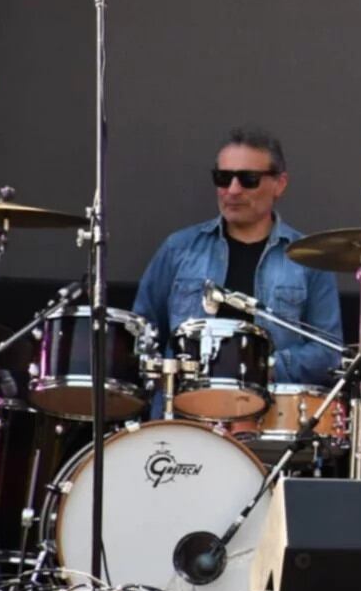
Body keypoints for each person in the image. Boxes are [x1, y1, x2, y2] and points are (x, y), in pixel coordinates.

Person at [133, 127, 342, 417]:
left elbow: (328, 352)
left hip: (270, 422)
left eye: (248, 179)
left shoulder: (309, 260)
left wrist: (259, 366)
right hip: (182, 419)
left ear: (280, 184)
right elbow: (142, 332)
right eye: (223, 177)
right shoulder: (179, 248)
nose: (232, 190)